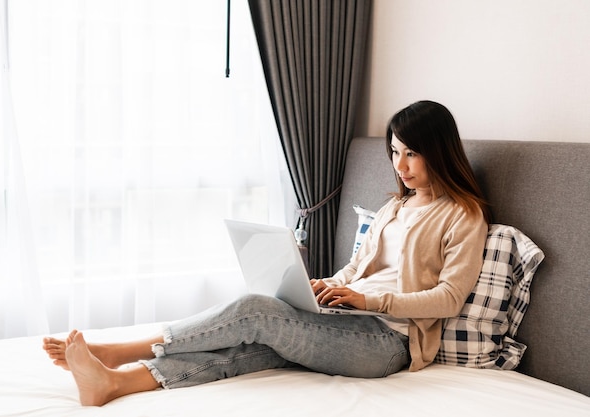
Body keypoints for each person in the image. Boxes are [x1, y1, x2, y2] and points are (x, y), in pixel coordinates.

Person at [43, 100, 490, 406]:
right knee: (257, 345)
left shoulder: (464, 215)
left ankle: (116, 351)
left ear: (439, 152)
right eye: (394, 152)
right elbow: (359, 267)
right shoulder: (397, 204)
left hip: (388, 342)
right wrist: (330, 287)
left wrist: (368, 301)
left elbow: (449, 297)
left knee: (257, 312)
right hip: (347, 319)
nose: (400, 166)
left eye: (412, 154)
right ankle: (115, 383)